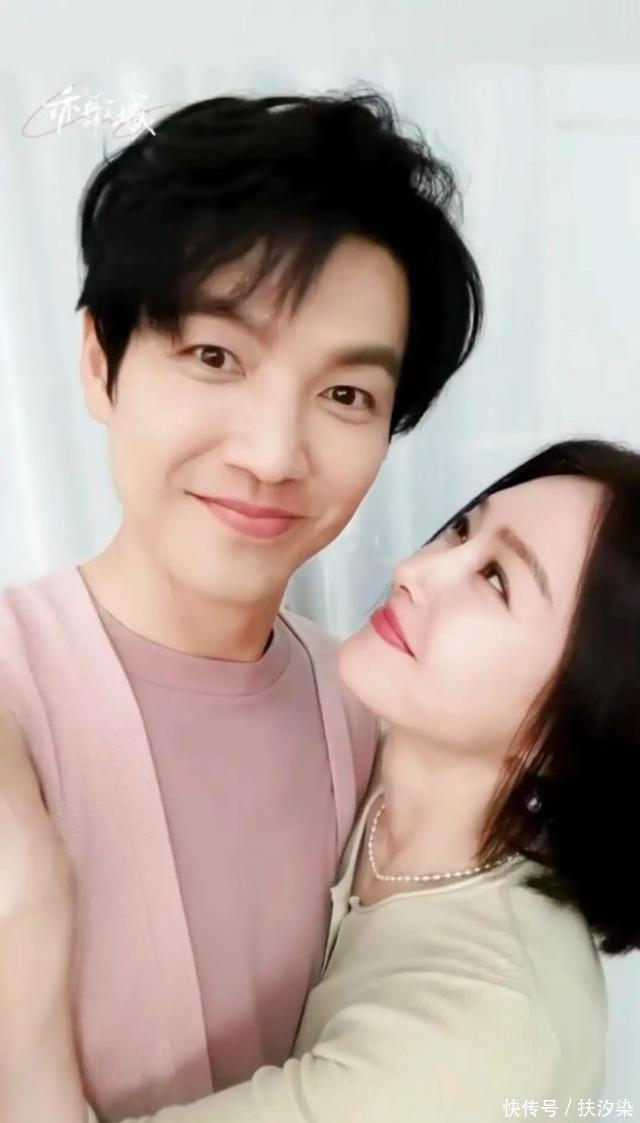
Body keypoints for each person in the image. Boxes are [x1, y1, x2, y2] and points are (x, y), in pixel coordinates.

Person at [0, 89, 483, 1119]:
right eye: (215, 356)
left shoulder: (374, 719)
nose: (271, 454)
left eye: (345, 394)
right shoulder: (14, 692)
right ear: (100, 362)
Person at [4, 437, 640, 1123]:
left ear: (572, 731)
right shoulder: (355, 731)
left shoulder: (490, 1038)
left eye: (495, 580)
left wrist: (25, 907)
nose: (414, 569)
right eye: (463, 529)